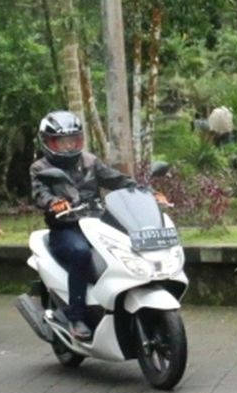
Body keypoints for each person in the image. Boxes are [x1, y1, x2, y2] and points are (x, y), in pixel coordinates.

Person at [30, 110, 166, 342]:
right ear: (48, 142)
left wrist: (147, 192)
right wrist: (54, 203)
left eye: (73, 140)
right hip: (66, 229)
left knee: (128, 245)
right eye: (61, 142)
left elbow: (118, 180)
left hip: (96, 224)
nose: (68, 146)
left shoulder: (90, 162)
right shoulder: (41, 168)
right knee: (81, 254)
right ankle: (76, 317)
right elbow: (39, 193)